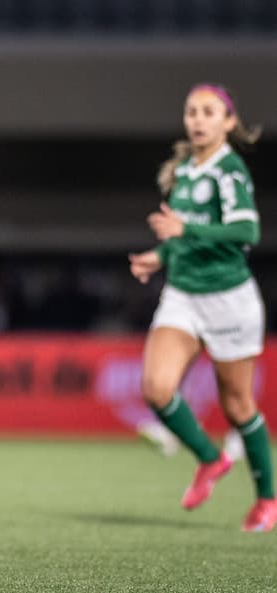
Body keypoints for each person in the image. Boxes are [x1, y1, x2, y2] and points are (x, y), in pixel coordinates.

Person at [128, 83, 275, 532]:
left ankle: (268, 499)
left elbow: (246, 230)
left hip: (229, 301)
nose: (197, 119)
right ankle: (211, 460)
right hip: (184, 296)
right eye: (191, 111)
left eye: (209, 112)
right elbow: (182, 238)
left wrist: (185, 228)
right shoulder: (187, 170)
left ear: (229, 122)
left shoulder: (228, 170)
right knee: (156, 388)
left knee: (238, 407)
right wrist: (161, 255)